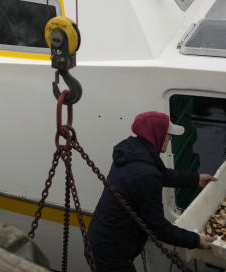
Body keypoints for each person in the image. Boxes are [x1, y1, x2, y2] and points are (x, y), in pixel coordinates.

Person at [88, 111, 217, 272]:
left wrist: (194, 179)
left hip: (101, 239)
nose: (170, 138)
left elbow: (161, 174)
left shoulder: (132, 151)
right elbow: (158, 227)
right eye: (168, 134)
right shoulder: (144, 173)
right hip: (111, 252)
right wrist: (196, 240)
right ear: (156, 134)